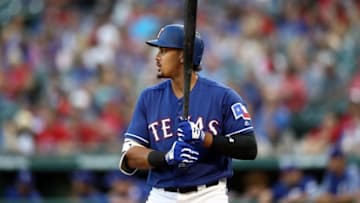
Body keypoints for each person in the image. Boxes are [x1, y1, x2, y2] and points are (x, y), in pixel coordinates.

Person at [118, 23, 258, 203]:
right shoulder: (149, 98)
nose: (157, 58)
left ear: (183, 55)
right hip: (162, 194)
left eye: (164, 51)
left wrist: (204, 138)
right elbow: (130, 157)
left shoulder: (222, 96)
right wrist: (166, 157)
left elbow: (248, 147)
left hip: (208, 194)